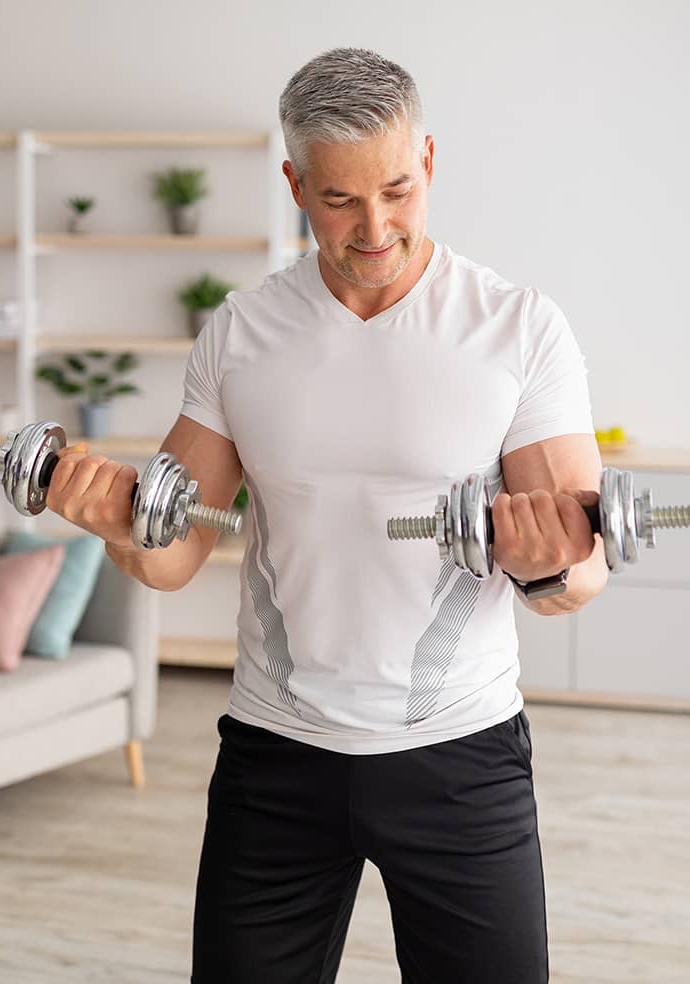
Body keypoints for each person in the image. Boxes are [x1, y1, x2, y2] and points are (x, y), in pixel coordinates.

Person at [48, 47, 608, 984]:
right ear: (295, 185)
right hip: (277, 753)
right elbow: (174, 548)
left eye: (396, 188)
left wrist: (547, 561)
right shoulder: (240, 334)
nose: (376, 226)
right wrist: (112, 523)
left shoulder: (516, 328)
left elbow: (576, 579)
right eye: (341, 199)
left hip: (457, 751)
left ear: (427, 161)